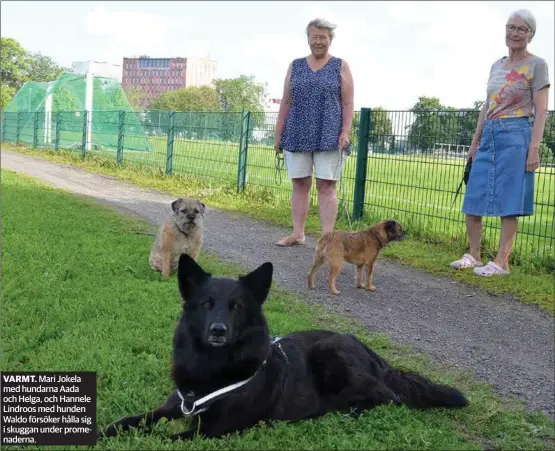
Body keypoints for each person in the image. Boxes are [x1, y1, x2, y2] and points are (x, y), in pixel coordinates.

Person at [451, 9, 550, 276]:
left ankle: (501, 262)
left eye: (522, 29)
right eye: (511, 27)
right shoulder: (497, 65)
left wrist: (534, 147)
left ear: (530, 34)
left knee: (509, 200)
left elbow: (541, 111)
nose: (515, 33)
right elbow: (487, 106)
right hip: (489, 134)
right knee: (474, 195)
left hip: (517, 133)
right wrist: (475, 142)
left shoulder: (537, 65)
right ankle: (473, 254)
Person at [274, 18, 354, 247]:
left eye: (323, 38)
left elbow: (348, 103)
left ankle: (327, 238)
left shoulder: (341, 65)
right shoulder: (296, 65)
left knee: (326, 186)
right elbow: (286, 101)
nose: (318, 42)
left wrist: (345, 131)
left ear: (330, 40)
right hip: (297, 131)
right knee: (299, 183)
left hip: (329, 133)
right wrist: (278, 133)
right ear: (308, 39)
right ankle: (297, 233)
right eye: (314, 37)